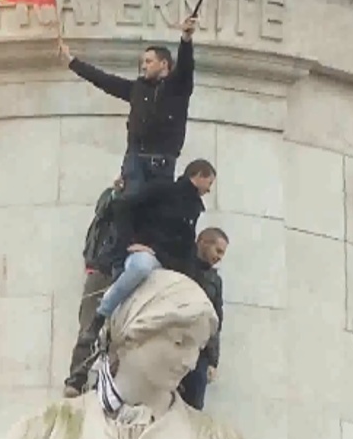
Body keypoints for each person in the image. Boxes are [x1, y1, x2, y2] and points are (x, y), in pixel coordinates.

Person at [2, 270, 242, 439]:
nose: (190, 362)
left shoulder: (217, 438)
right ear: (131, 333)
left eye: (198, 348)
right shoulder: (44, 430)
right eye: (179, 342)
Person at [79, 159, 216, 349]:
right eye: (209, 182)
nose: (209, 189)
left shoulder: (194, 208)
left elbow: (184, 245)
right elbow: (124, 207)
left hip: (168, 262)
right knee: (140, 268)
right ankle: (100, 316)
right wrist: (131, 242)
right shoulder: (163, 190)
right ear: (199, 175)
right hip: (148, 255)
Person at [59, 16, 197, 198]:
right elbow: (104, 80)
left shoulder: (178, 87)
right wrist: (72, 61)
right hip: (135, 161)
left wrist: (186, 40)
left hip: (162, 163)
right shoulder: (137, 89)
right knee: (127, 209)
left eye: (149, 61)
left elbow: (186, 67)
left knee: (156, 215)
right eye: (143, 62)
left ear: (164, 64)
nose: (143, 66)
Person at [63, 178, 124, 397]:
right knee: (89, 327)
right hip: (102, 271)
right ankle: (77, 379)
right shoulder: (110, 200)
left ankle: (106, 387)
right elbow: (105, 206)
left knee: (120, 334)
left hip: (124, 274)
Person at [178, 227, 229, 410]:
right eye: (218, 250)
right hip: (172, 344)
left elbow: (216, 322)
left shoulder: (215, 280)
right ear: (203, 243)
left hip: (198, 354)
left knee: (193, 409)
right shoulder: (180, 264)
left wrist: (213, 361)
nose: (220, 257)